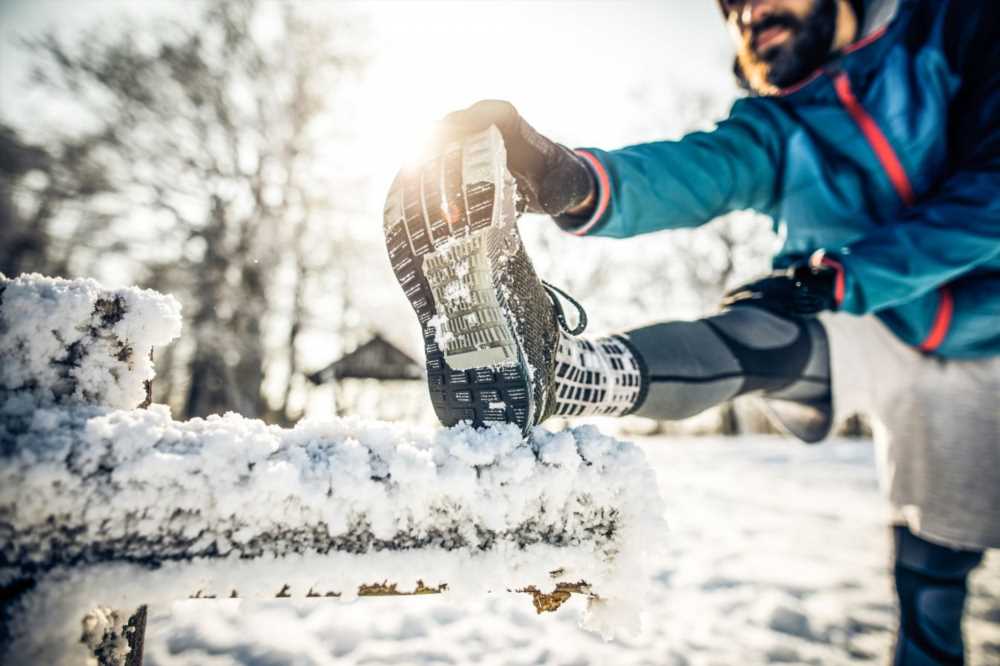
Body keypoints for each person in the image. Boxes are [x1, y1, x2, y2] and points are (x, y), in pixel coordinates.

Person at [382, 1, 998, 663]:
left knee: (937, 570)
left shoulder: (957, 28)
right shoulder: (779, 123)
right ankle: (566, 372)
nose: (750, 12)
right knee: (768, 333)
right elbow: (695, 171)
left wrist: (840, 276)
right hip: (874, 321)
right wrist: (571, 176)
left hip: (985, 335)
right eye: (732, 4)